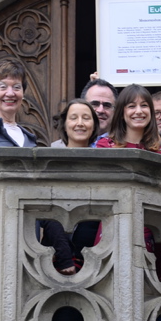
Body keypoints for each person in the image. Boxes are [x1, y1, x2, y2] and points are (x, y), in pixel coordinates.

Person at [43, 100, 101, 274]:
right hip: (56, 254)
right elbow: (47, 213)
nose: (80, 123)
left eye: (86, 118)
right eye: (73, 118)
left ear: (94, 125)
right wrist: (65, 256)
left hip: (92, 256)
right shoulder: (51, 162)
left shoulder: (103, 163)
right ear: (65, 125)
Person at [94, 84, 161, 156]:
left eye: (144, 105)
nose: (139, 111)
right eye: (132, 106)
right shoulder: (105, 147)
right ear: (121, 113)